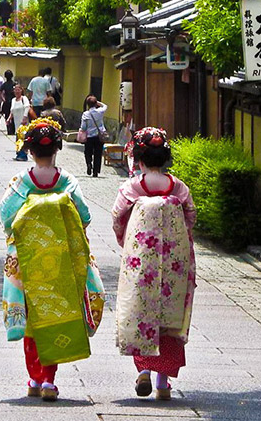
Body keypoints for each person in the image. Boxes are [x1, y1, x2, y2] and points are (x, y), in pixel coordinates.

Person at [0, 119, 105, 402]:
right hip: (59, 259)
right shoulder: (66, 181)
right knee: (53, 313)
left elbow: (6, 216)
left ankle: (34, 378)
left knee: (33, 317)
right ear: (57, 149)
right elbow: (84, 215)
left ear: (30, 151)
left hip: (27, 258)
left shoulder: (21, 182)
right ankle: (48, 380)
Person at [111, 127, 196, 402]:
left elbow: (117, 216)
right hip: (174, 259)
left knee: (142, 309)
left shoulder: (132, 187)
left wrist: (126, 240)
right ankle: (163, 382)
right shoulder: (178, 187)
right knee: (170, 313)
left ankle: (145, 369)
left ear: (139, 159)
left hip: (142, 259)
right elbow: (190, 217)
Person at [79, 95, 108, 177]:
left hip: (89, 136)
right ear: (96, 104)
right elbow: (105, 106)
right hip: (99, 136)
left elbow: (83, 127)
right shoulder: (100, 111)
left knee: (87, 152)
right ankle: (96, 171)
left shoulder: (85, 114)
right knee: (98, 154)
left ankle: (89, 163)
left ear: (87, 105)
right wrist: (98, 103)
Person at [7, 84, 32, 161]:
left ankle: (23, 155)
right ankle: (18, 153)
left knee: (23, 138)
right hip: (16, 122)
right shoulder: (13, 100)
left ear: (21, 90)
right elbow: (12, 110)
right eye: (15, 89)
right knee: (18, 138)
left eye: (19, 89)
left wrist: (25, 117)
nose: (17, 91)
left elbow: (27, 107)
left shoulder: (24, 99)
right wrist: (9, 118)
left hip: (23, 122)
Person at [0, 70, 16, 135]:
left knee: (7, 116)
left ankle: (9, 129)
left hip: (6, 103)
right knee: (14, 116)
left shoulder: (4, 84)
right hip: (14, 102)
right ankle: (13, 129)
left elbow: (0, 93)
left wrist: (3, 99)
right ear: (12, 76)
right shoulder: (14, 84)